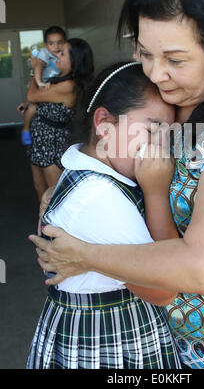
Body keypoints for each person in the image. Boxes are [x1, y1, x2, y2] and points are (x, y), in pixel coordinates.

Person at [29, 0, 204, 369]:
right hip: (168, 344)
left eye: (175, 59)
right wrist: (69, 193)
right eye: (145, 53)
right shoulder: (178, 106)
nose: (155, 72)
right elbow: (124, 156)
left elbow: (203, 270)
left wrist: (84, 253)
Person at [27, 61, 181, 370]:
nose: (160, 149)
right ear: (104, 124)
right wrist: (156, 193)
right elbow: (164, 288)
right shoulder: (100, 197)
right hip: (107, 343)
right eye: (151, 130)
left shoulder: (89, 172)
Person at [27, 38, 94, 200]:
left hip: (52, 144)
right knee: (39, 188)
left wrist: (36, 68)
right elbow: (37, 99)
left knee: (53, 195)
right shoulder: (59, 78)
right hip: (40, 140)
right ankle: (43, 224)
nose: (56, 54)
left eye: (62, 53)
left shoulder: (69, 85)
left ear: (75, 61)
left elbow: (32, 95)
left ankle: (51, 225)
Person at [20, 26, 67, 146]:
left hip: (52, 86)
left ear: (65, 43)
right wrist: (39, 82)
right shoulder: (45, 53)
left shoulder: (65, 55)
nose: (56, 47)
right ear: (46, 45)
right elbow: (38, 66)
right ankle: (25, 129)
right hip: (42, 84)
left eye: (59, 43)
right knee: (33, 106)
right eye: (51, 43)